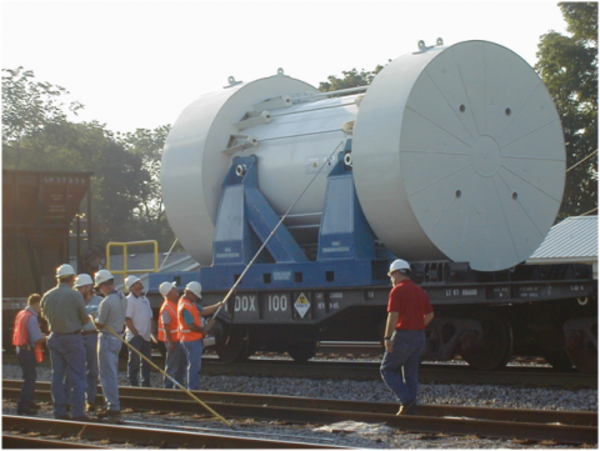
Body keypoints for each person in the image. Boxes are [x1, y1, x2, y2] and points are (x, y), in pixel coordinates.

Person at [380, 259, 434, 416]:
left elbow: (393, 315)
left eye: (391, 275)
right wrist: (418, 325)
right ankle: (410, 407)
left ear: (397, 274)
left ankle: (407, 400)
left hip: (403, 335)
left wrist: (387, 337)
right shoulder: (420, 291)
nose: (391, 279)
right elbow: (430, 314)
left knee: (387, 369)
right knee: (411, 372)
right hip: (419, 336)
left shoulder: (397, 291)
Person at [40, 263, 90, 421]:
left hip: (54, 337)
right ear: (73, 278)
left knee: (57, 376)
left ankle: (59, 410)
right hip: (72, 338)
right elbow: (84, 318)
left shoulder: (47, 295)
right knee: (78, 376)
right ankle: (78, 412)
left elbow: (43, 316)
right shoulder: (75, 295)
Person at [93, 269, 127, 423]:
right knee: (111, 372)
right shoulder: (122, 297)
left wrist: (92, 317)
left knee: (107, 375)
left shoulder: (106, 302)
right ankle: (113, 404)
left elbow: (100, 325)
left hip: (107, 338)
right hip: (118, 338)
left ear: (105, 285)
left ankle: (112, 405)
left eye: (100, 287)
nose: (100, 290)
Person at [177, 281, 225, 390]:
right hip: (191, 340)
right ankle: (193, 388)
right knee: (194, 366)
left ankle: (193, 387)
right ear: (189, 293)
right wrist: (202, 330)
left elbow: (203, 311)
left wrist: (217, 306)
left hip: (191, 339)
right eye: (195, 296)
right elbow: (190, 325)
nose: (196, 298)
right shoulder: (186, 306)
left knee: (193, 365)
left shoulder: (188, 303)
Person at [12, 293, 46, 416]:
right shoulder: (31, 317)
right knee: (30, 379)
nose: (41, 308)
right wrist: (49, 337)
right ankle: (24, 405)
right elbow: (36, 338)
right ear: (36, 304)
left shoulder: (22, 314)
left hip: (20, 349)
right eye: (40, 305)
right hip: (27, 351)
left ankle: (30, 401)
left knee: (29, 377)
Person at [73, 273, 102, 412]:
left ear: (89, 287)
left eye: (81, 288)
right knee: (78, 370)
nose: (79, 291)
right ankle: (78, 400)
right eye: (78, 288)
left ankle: (90, 400)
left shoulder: (100, 301)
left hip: (92, 336)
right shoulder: (75, 301)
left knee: (92, 370)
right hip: (78, 336)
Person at [124, 275, 155, 387]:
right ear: (132, 287)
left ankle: (145, 383)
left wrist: (151, 331)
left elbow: (150, 317)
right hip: (135, 337)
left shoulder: (144, 299)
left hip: (145, 336)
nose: (140, 283)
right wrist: (136, 334)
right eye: (137, 282)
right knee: (134, 361)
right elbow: (127, 319)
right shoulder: (129, 300)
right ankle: (133, 383)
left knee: (146, 362)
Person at [157, 281, 186, 388]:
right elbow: (166, 326)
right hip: (173, 341)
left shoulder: (172, 304)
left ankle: (178, 386)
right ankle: (168, 387)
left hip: (177, 340)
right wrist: (170, 342)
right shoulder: (167, 307)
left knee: (179, 365)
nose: (176, 289)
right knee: (172, 365)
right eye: (173, 288)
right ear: (169, 293)